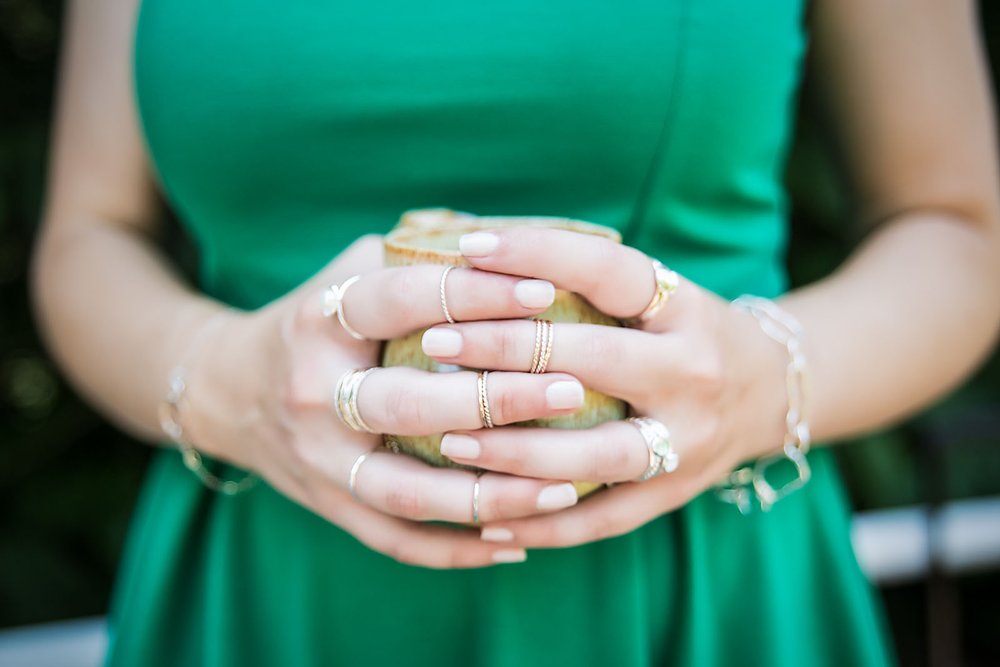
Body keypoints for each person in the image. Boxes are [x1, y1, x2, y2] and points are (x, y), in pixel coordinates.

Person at [30, 0, 1000, 664]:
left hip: (696, 575)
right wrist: (230, 385)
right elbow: (88, 236)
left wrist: (764, 381)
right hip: (270, 574)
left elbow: (958, 228)